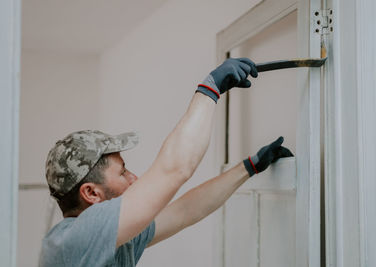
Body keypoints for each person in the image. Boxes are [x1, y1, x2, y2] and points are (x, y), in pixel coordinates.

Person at [39, 58, 293, 267]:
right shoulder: (77, 238)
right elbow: (175, 169)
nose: (133, 178)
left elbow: (185, 211)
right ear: (91, 193)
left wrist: (248, 167)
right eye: (123, 172)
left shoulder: (115, 237)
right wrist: (209, 89)